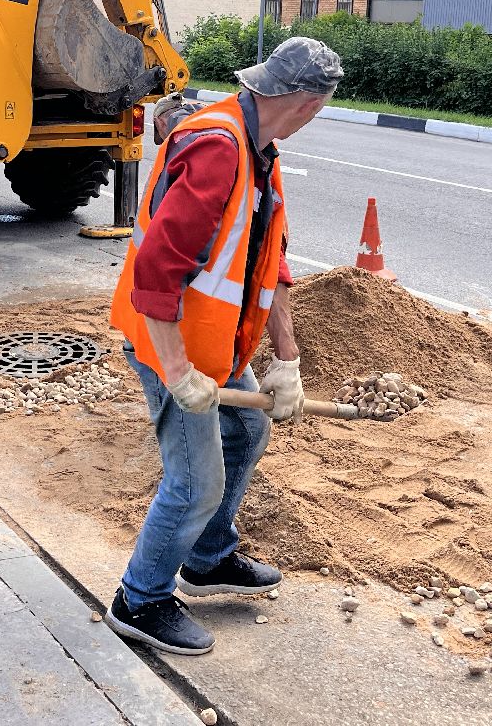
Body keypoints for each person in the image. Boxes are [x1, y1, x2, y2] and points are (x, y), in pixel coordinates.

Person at [105, 36, 344, 655]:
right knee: (194, 479)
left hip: (217, 347)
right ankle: (141, 598)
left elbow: (272, 262)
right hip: (169, 343)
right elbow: (156, 272)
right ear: (307, 103)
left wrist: (285, 361)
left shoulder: (260, 149)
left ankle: (208, 559)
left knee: (246, 432)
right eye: (317, 110)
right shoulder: (219, 149)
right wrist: (179, 373)